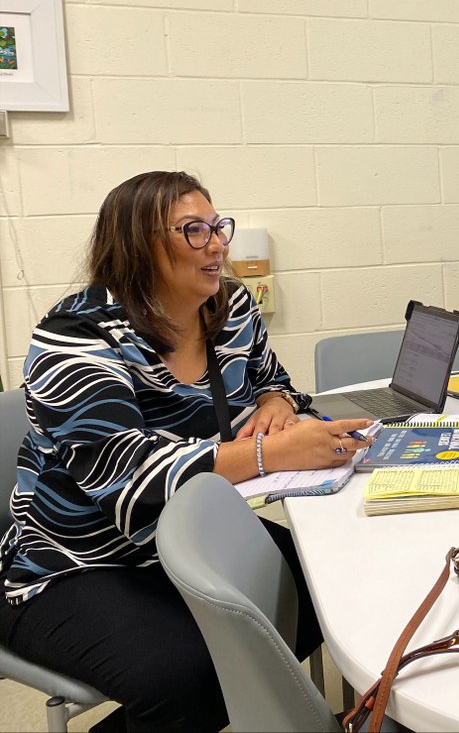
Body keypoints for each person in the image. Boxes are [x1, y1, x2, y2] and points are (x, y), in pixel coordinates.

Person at [0, 171, 372, 731]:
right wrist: (275, 454)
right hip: (76, 563)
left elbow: (276, 382)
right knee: (180, 674)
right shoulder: (76, 335)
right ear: (134, 245)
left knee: (326, 593)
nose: (217, 244)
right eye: (193, 231)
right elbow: (131, 485)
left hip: (193, 536)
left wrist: (274, 403)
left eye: (217, 226)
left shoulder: (230, 308)